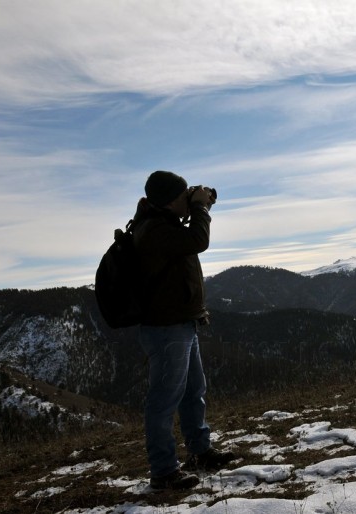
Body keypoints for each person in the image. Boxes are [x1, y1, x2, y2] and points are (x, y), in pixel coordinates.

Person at [132, 170, 234, 490]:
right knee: (164, 400)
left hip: (182, 324)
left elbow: (189, 241)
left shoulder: (165, 224)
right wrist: (201, 209)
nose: (186, 202)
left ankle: (200, 452)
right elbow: (198, 241)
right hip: (165, 329)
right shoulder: (153, 229)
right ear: (167, 201)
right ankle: (163, 472)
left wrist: (198, 208)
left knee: (193, 392)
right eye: (182, 198)